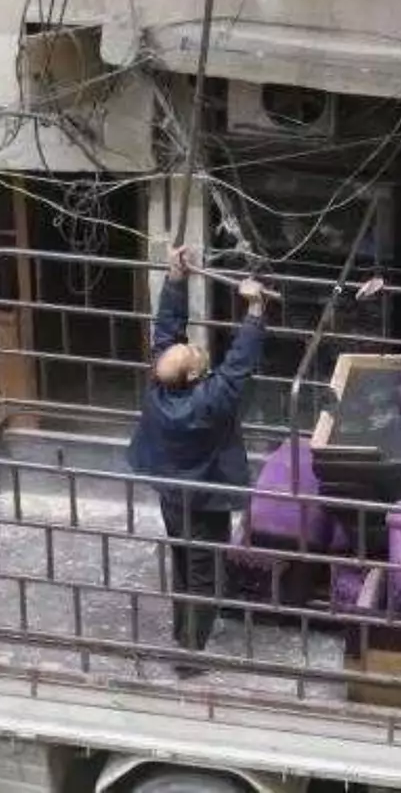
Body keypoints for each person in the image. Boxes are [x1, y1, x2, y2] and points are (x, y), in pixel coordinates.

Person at [127, 245, 267, 661]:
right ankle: (190, 652)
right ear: (193, 374)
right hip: (205, 495)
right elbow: (240, 362)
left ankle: (181, 629)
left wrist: (175, 278)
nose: (190, 346)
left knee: (184, 559)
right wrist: (256, 310)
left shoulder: (157, 387)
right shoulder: (210, 401)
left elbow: (166, 331)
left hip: (171, 490)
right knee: (203, 568)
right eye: (191, 352)